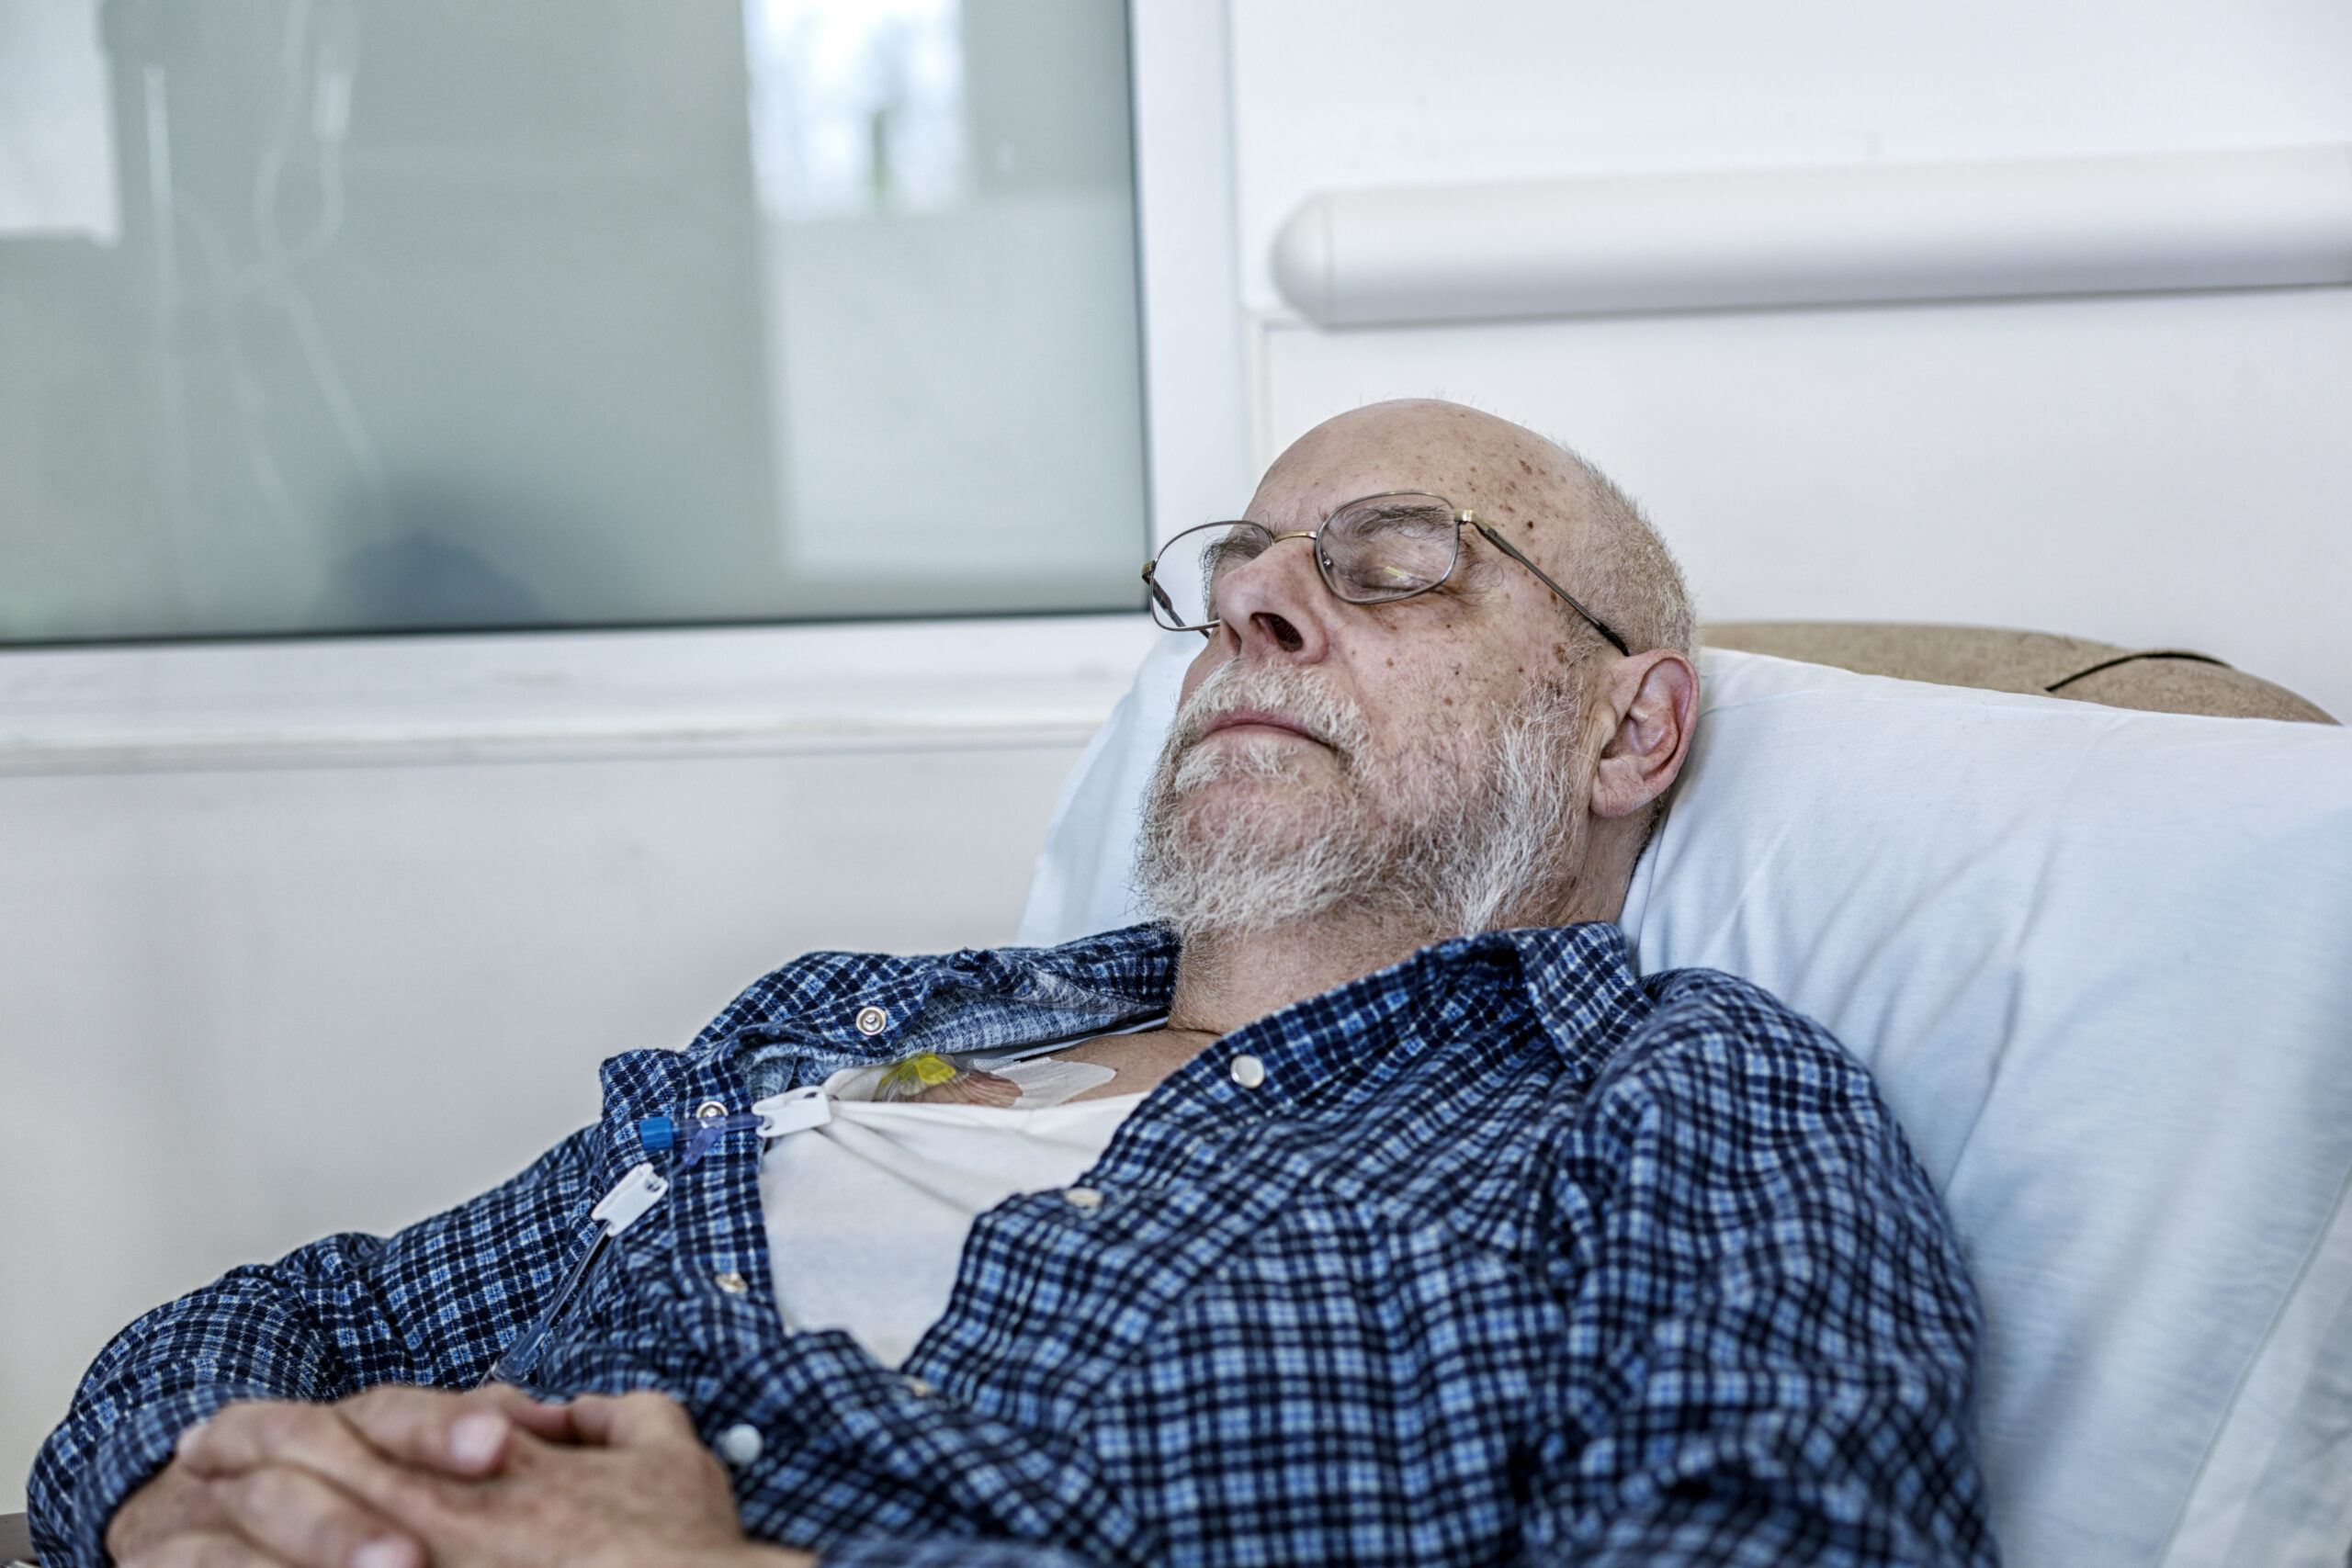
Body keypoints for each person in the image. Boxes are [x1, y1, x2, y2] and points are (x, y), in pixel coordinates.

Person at [33, 400, 1996, 1568]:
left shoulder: (1671, 1098)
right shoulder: (851, 1027)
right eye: (1233, 571)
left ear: (1624, 728)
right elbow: (301, 1312)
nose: (1252, 599)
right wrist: (196, 1501)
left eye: (1391, 561)